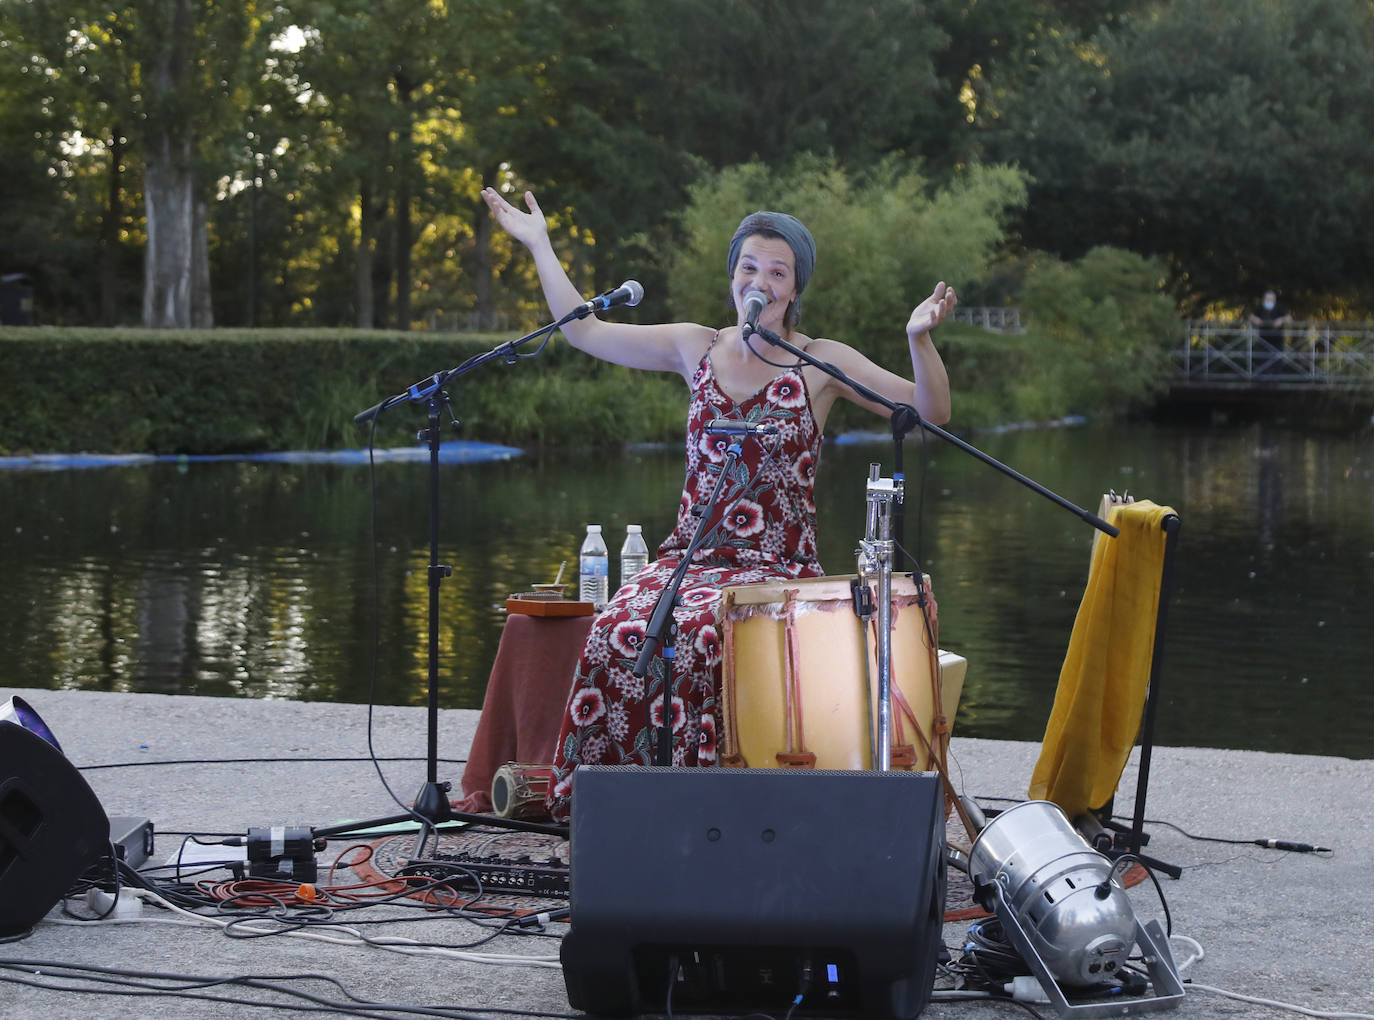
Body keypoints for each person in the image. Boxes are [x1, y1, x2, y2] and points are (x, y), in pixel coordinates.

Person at [479, 186, 955, 822]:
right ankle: (614, 812)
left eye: (777, 272)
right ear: (734, 277)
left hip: (774, 567)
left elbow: (931, 411)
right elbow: (586, 331)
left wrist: (918, 340)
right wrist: (539, 244)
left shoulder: (818, 362)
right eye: (750, 267)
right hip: (690, 557)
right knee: (618, 631)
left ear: (793, 289)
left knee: (706, 633)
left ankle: (706, 815)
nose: (760, 280)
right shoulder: (695, 345)